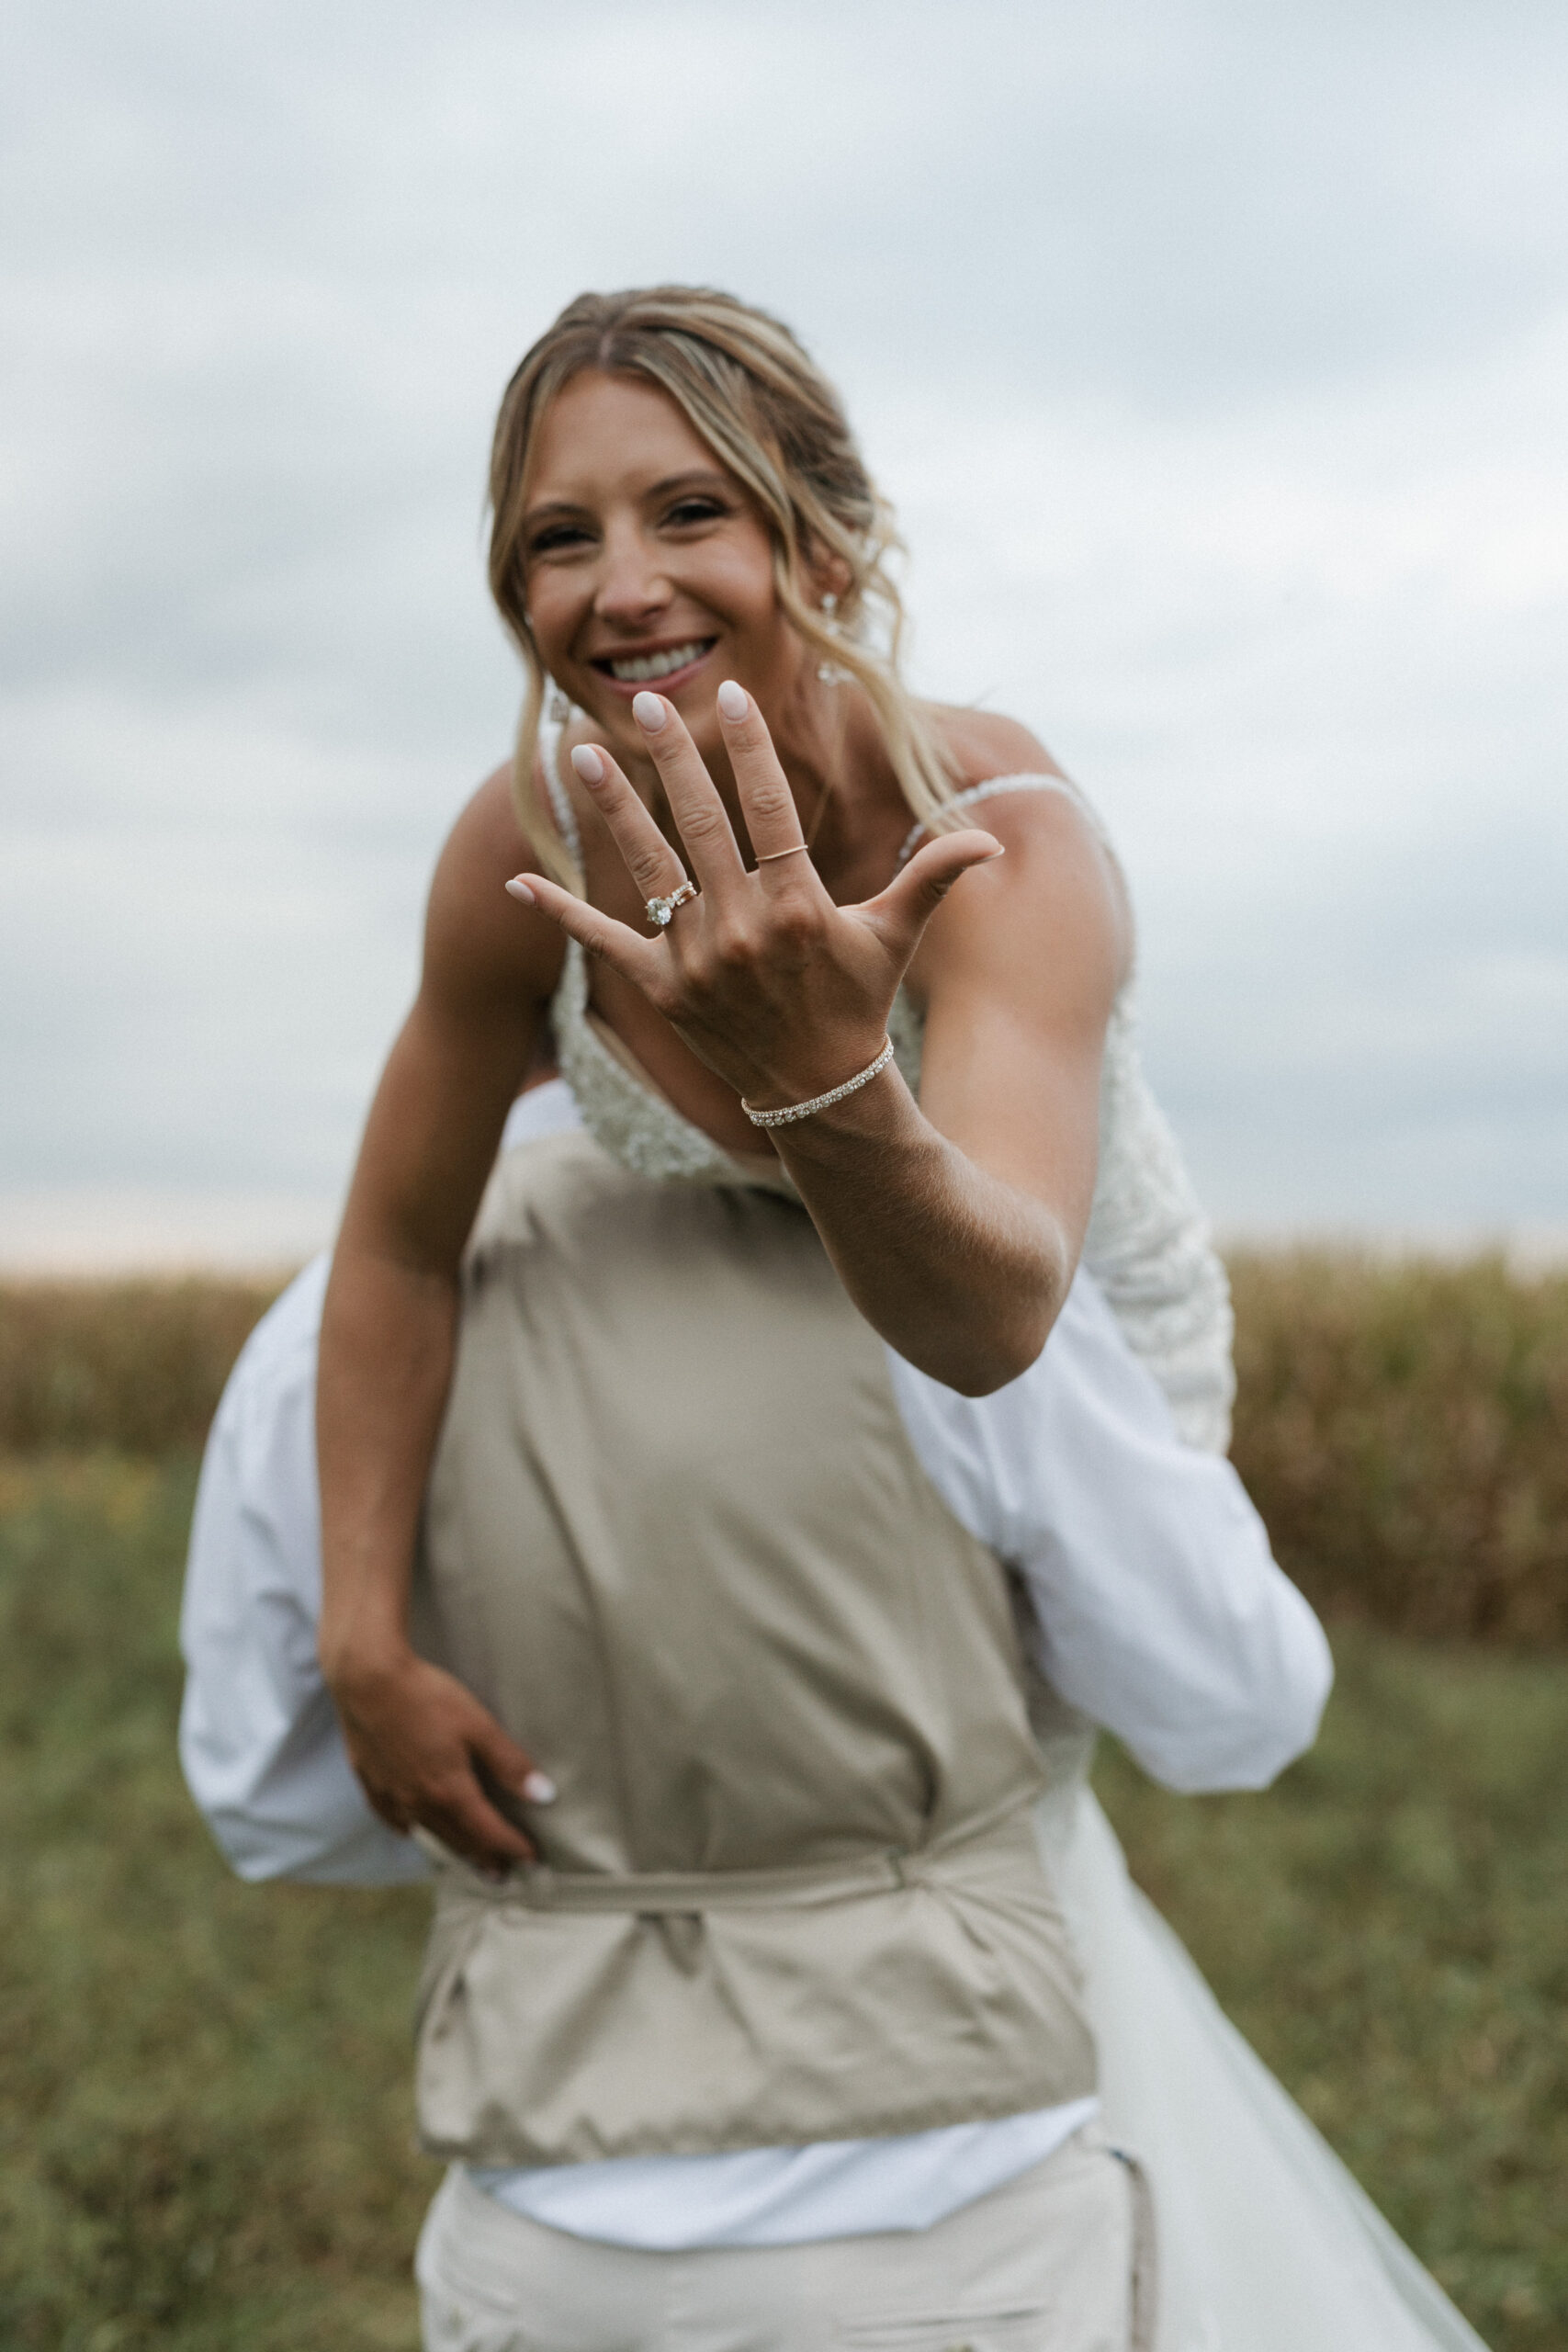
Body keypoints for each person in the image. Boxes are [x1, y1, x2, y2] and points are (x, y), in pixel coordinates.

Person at [181, 288, 1490, 2350]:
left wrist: (813, 1070)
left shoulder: (995, 825)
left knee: (1042, 1772)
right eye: (553, 535)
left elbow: (986, 1319)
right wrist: (359, 1627)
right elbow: (398, 1243)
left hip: (1022, 1303)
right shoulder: (513, 846)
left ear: (823, 541)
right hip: (762, 1357)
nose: (618, 588)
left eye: (686, 510)